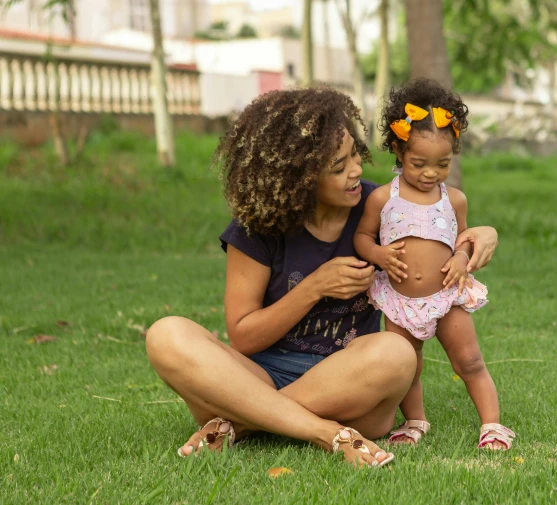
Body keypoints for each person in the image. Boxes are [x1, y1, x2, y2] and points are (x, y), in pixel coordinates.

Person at [144, 86, 500, 467]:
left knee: (397, 353)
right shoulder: (257, 227)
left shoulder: (378, 206)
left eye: (354, 156)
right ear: (298, 178)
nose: (357, 171)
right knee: (166, 335)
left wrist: (483, 233)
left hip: (348, 381)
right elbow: (243, 337)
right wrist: (315, 286)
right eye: (338, 167)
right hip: (260, 375)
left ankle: (242, 421)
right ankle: (324, 432)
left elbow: (438, 225)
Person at [354, 79, 514, 450]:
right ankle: (415, 420)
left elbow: (461, 242)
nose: (431, 173)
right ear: (397, 149)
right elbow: (362, 238)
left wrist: (460, 259)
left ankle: (492, 425)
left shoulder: (453, 199)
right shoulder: (381, 198)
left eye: (442, 164)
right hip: (399, 300)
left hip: (446, 297)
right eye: (419, 163)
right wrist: (377, 254)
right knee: (407, 367)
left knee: (470, 360)